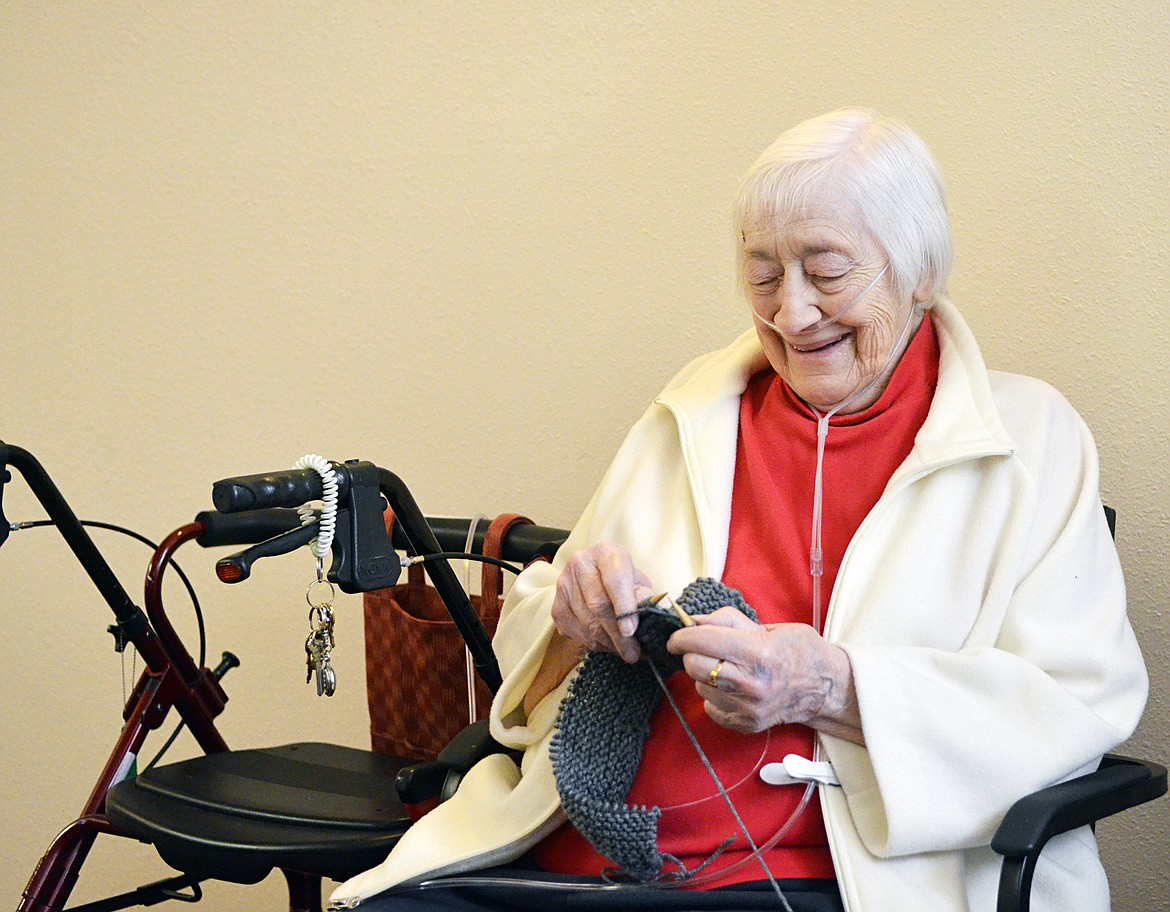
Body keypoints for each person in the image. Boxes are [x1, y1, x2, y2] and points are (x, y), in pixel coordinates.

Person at [331, 108, 1147, 912]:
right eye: (763, 275)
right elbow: (531, 665)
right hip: (573, 856)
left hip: (822, 880)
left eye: (827, 272)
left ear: (920, 271)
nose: (790, 313)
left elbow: (1075, 707)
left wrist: (831, 686)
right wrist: (572, 620)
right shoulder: (696, 408)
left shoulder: (1031, 438)